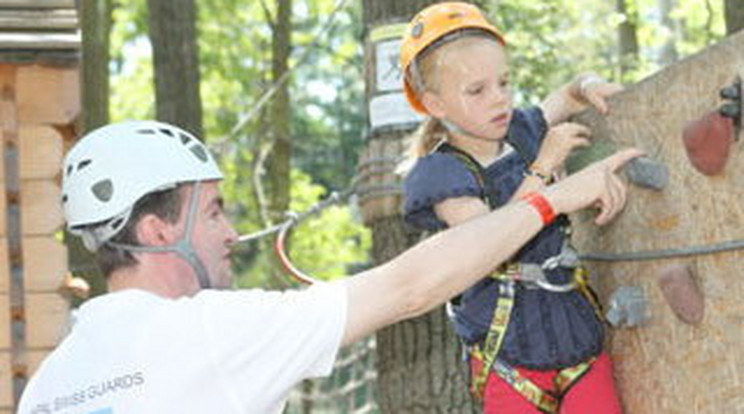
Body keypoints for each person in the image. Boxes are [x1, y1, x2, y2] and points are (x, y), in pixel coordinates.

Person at [17, 119, 639, 414]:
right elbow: (410, 286)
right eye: (211, 212)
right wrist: (550, 198)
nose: (230, 232)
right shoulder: (204, 336)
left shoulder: (50, 381)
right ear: (157, 232)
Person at [399, 3, 626, 414]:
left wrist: (589, 83)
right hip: (508, 356)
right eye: (477, 90)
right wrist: (543, 166)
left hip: (578, 339)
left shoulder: (521, 130)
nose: (499, 99)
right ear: (435, 104)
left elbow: (571, 94)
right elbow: (490, 243)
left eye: (504, 83)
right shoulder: (443, 176)